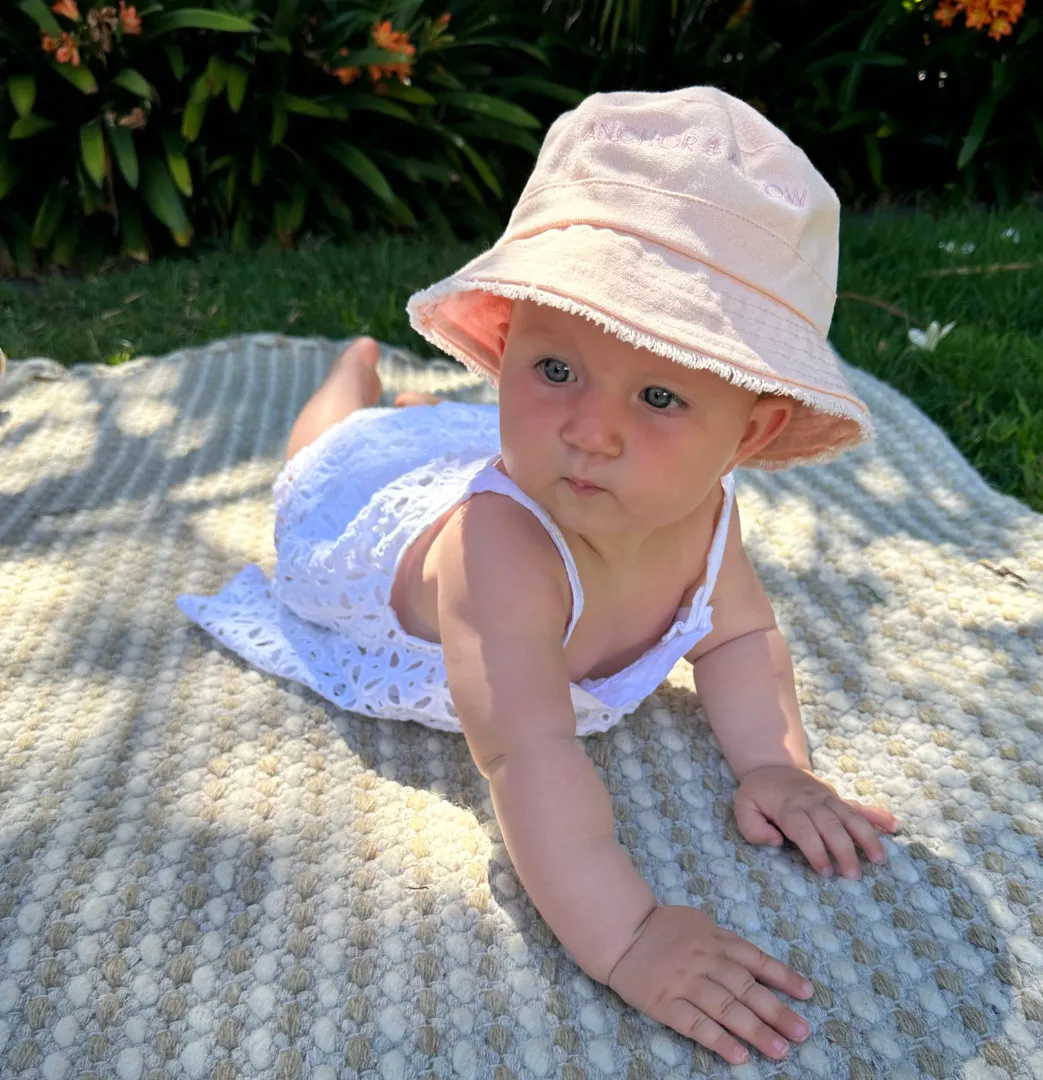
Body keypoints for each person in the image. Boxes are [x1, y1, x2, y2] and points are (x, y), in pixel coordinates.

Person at [177, 86, 900, 1065]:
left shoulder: (707, 518)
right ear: (509, 347)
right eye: (552, 369)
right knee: (333, 454)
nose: (592, 430)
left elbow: (738, 635)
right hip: (378, 516)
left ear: (753, 432)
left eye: (658, 395)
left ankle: (416, 411)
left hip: (498, 468)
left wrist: (773, 760)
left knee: (480, 443)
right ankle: (351, 378)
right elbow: (529, 753)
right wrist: (631, 933)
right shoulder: (497, 559)